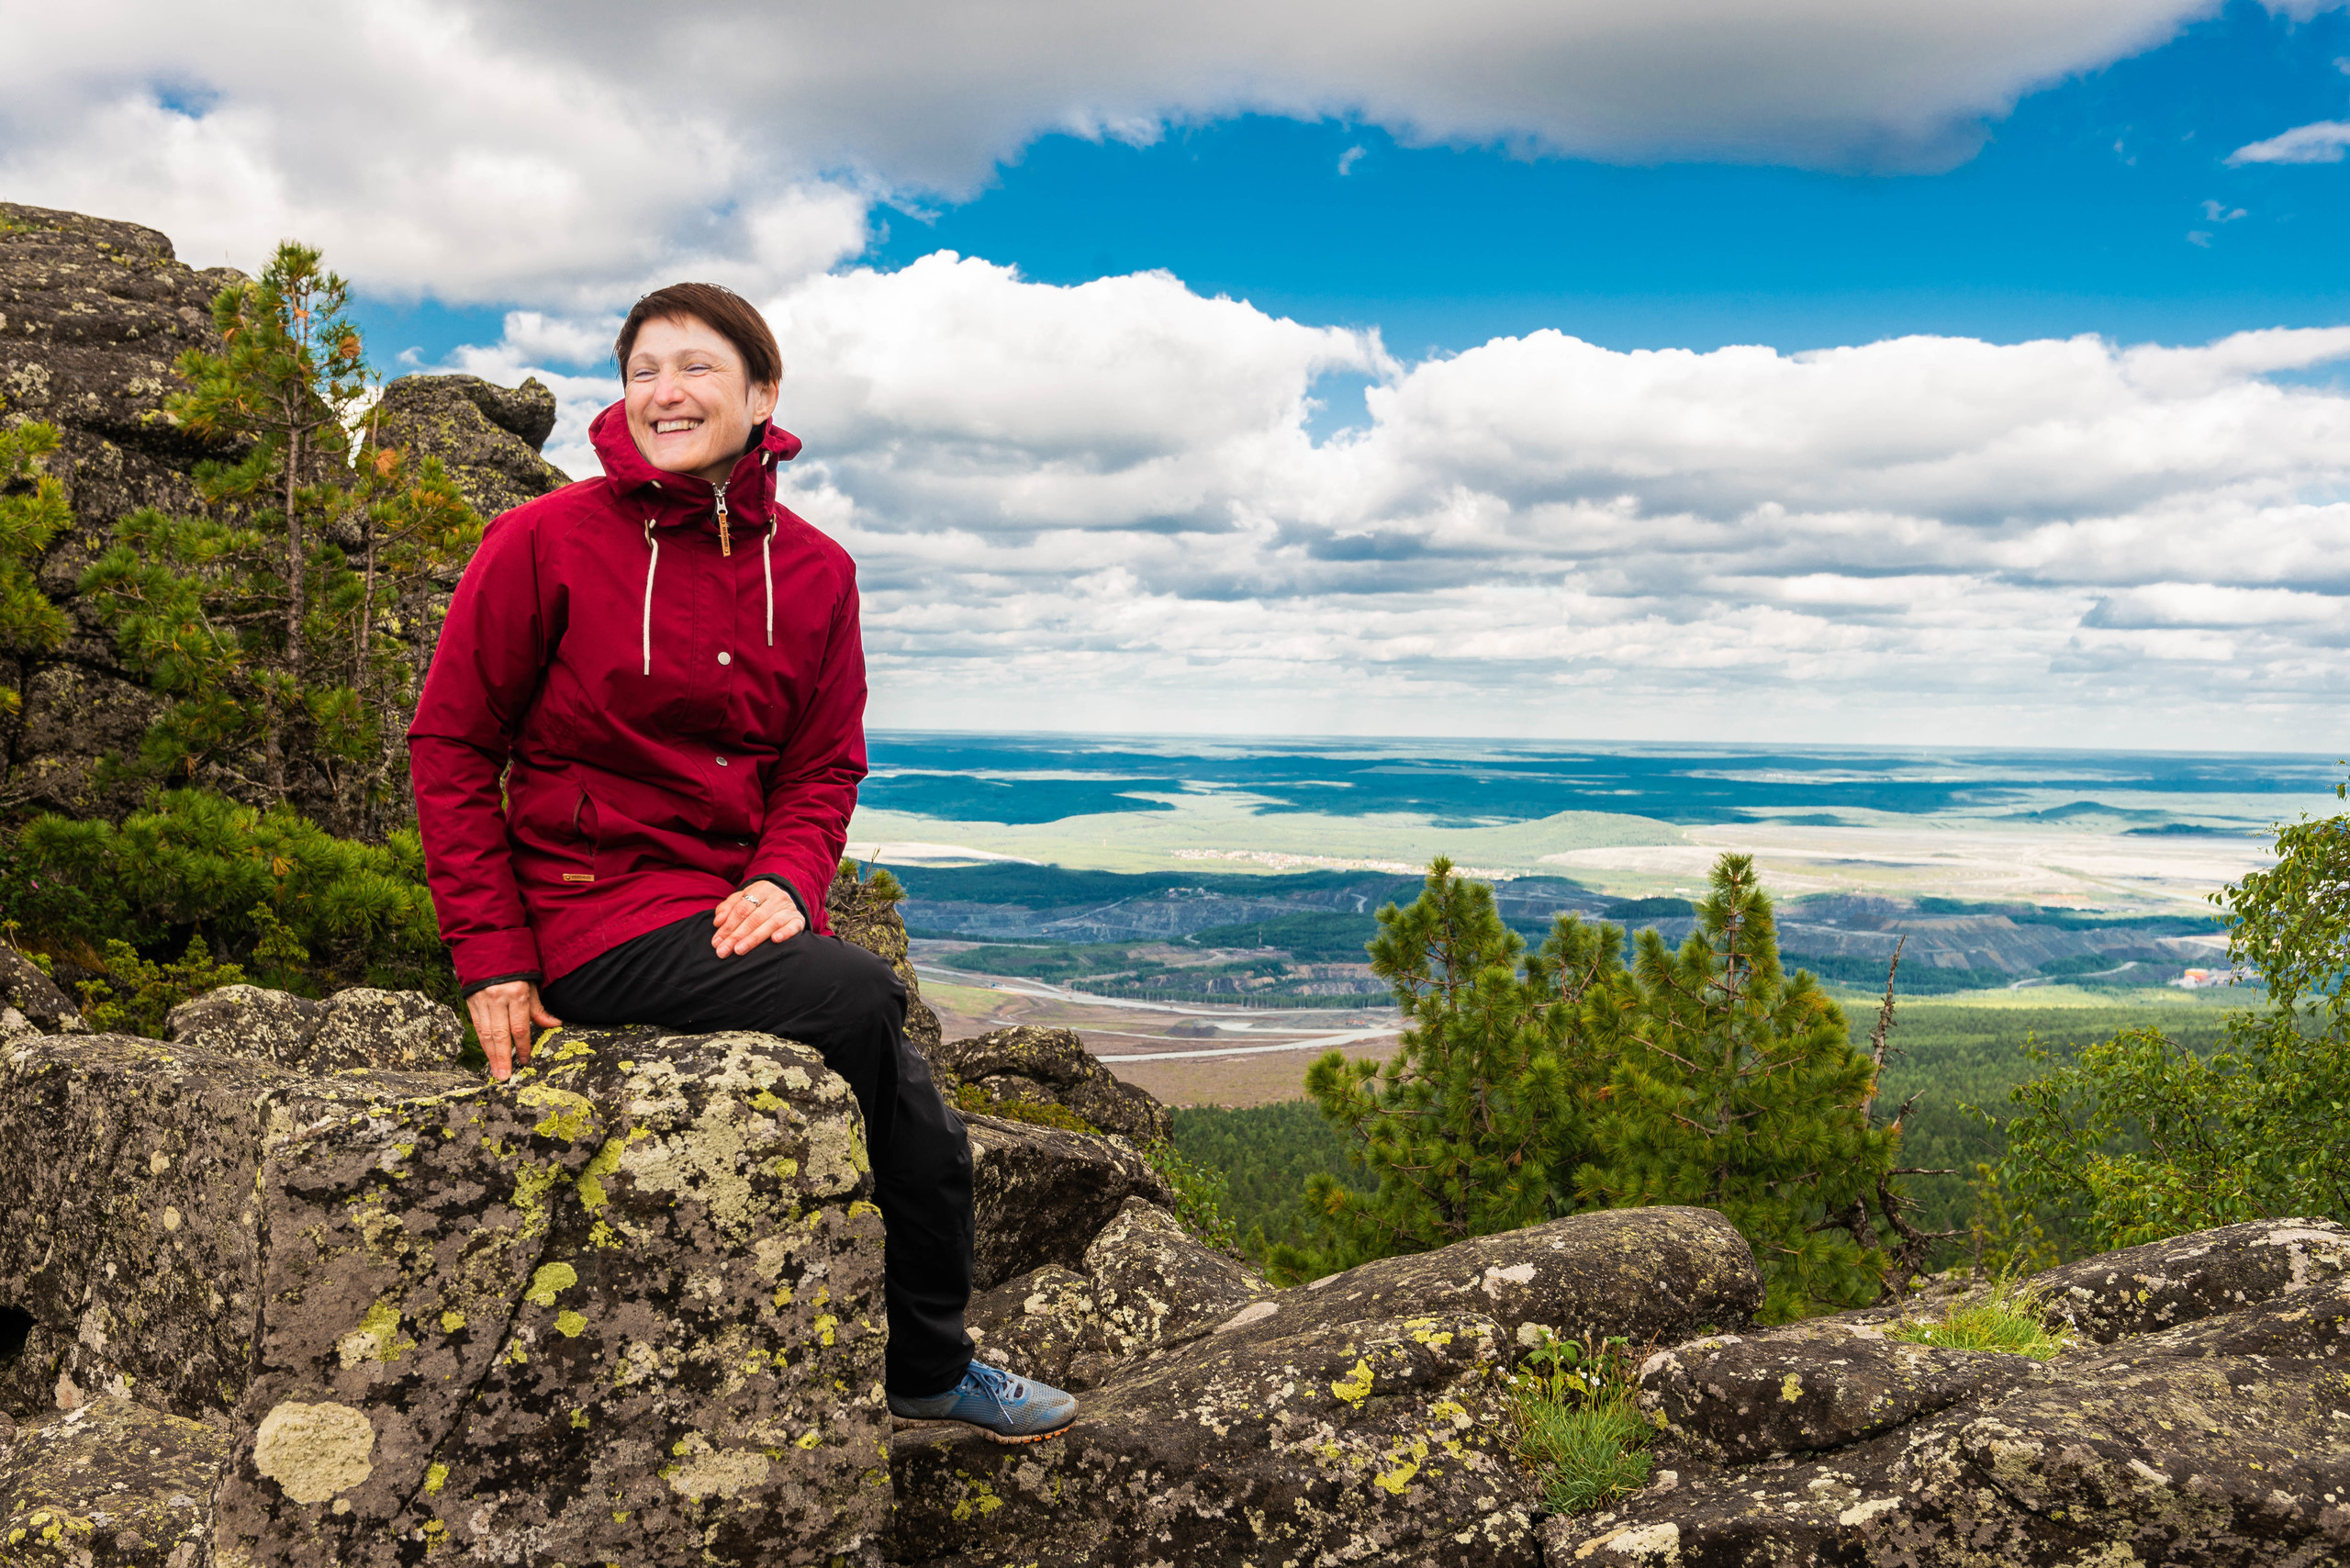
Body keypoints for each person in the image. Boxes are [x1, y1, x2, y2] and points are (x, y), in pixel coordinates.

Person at [407, 282, 1076, 1444]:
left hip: (727, 907)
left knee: (913, 1102)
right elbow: (451, 746)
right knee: (863, 995)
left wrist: (785, 879)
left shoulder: (816, 570)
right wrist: (492, 961)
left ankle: (928, 1361)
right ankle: (923, 1360)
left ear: (761, 392)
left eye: (696, 367)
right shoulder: (542, 541)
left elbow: (823, 767)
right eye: (641, 370)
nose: (665, 391)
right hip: (589, 912)